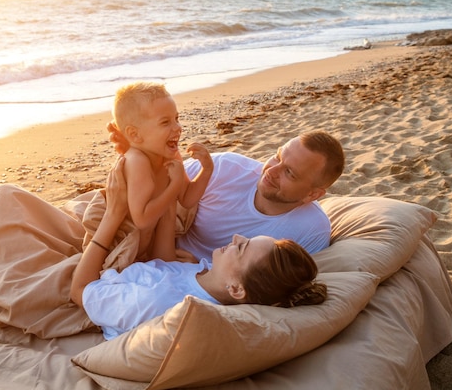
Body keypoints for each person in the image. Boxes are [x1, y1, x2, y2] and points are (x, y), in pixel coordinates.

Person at [70, 157, 327, 340]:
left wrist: (113, 216)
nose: (236, 237)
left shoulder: (156, 302)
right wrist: (169, 199)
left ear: (236, 288)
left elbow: (79, 291)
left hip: (97, 286)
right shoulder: (207, 277)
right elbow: (165, 267)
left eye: (242, 247)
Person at [175, 130, 345, 261]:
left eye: (289, 173)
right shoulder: (223, 168)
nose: (271, 171)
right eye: (277, 158)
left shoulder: (310, 230)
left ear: (312, 194)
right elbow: (158, 182)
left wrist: (199, 268)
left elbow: (271, 288)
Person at [108, 81, 213, 261]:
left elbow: (187, 199)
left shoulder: (171, 155)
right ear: (134, 134)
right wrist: (174, 185)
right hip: (124, 240)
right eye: (165, 122)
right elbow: (141, 219)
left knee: (169, 211)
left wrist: (207, 170)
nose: (177, 127)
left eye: (176, 119)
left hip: (153, 234)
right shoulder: (136, 161)